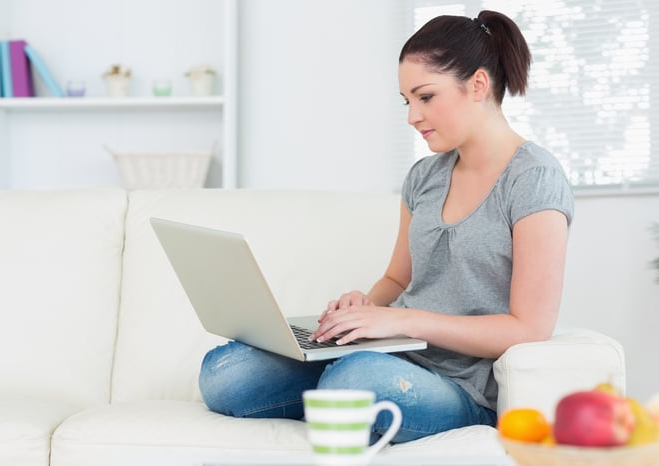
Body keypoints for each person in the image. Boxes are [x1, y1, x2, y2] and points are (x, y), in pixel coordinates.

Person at [198, 10, 574, 443]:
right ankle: (342, 401)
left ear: (477, 85)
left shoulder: (534, 178)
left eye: (425, 97)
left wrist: (404, 322)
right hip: (392, 355)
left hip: (462, 387)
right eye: (406, 101)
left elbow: (528, 328)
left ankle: (340, 400)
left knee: (352, 381)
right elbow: (399, 276)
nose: (413, 116)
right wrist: (364, 309)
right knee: (225, 373)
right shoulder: (424, 177)